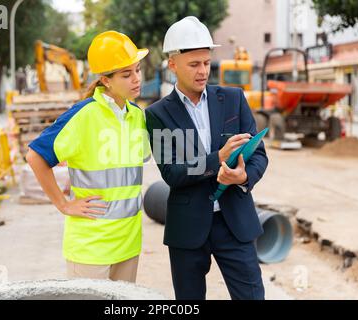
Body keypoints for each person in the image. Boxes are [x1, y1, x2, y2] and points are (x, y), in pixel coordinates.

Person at [145, 16, 268, 300]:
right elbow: (173, 172)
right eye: (194, 64)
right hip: (187, 228)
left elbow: (258, 155)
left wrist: (244, 176)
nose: (203, 71)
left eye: (206, 63)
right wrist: (217, 159)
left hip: (234, 222)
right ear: (172, 64)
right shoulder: (158, 114)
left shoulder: (234, 99)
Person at [26, 31, 150, 282]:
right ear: (106, 80)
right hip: (91, 249)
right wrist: (63, 204)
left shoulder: (136, 115)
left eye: (137, 70)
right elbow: (35, 156)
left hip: (128, 244)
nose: (136, 79)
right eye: (126, 74)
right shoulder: (84, 115)